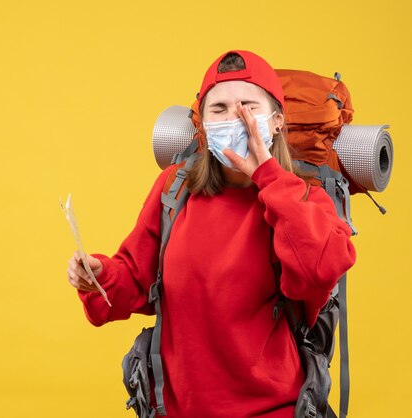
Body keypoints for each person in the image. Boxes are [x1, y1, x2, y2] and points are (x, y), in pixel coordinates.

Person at [66, 50, 356, 418]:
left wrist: (267, 175)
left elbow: (321, 269)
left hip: (273, 409)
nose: (236, 118)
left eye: (249, 106)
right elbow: (135, 279)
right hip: (177, 409)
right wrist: (99, 276)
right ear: (202, 123)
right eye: (218, 109)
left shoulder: (305, 198)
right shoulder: (174, 189)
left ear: (277, 121)